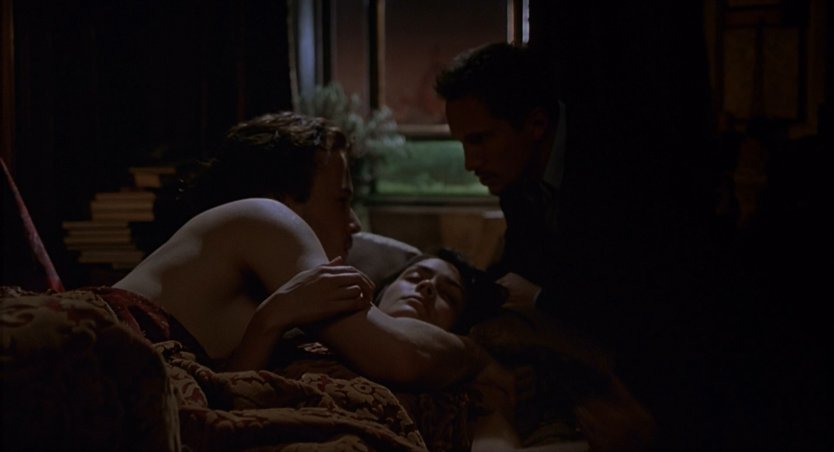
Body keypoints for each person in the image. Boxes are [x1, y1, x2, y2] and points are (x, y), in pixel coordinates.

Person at [110, 111, 490, 388]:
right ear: (286, 201)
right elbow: (401, 356)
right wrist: (479, 354)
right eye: (341, 200)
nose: (354, 224)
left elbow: (228, 392)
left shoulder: (276, 292)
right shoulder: (266, 216)